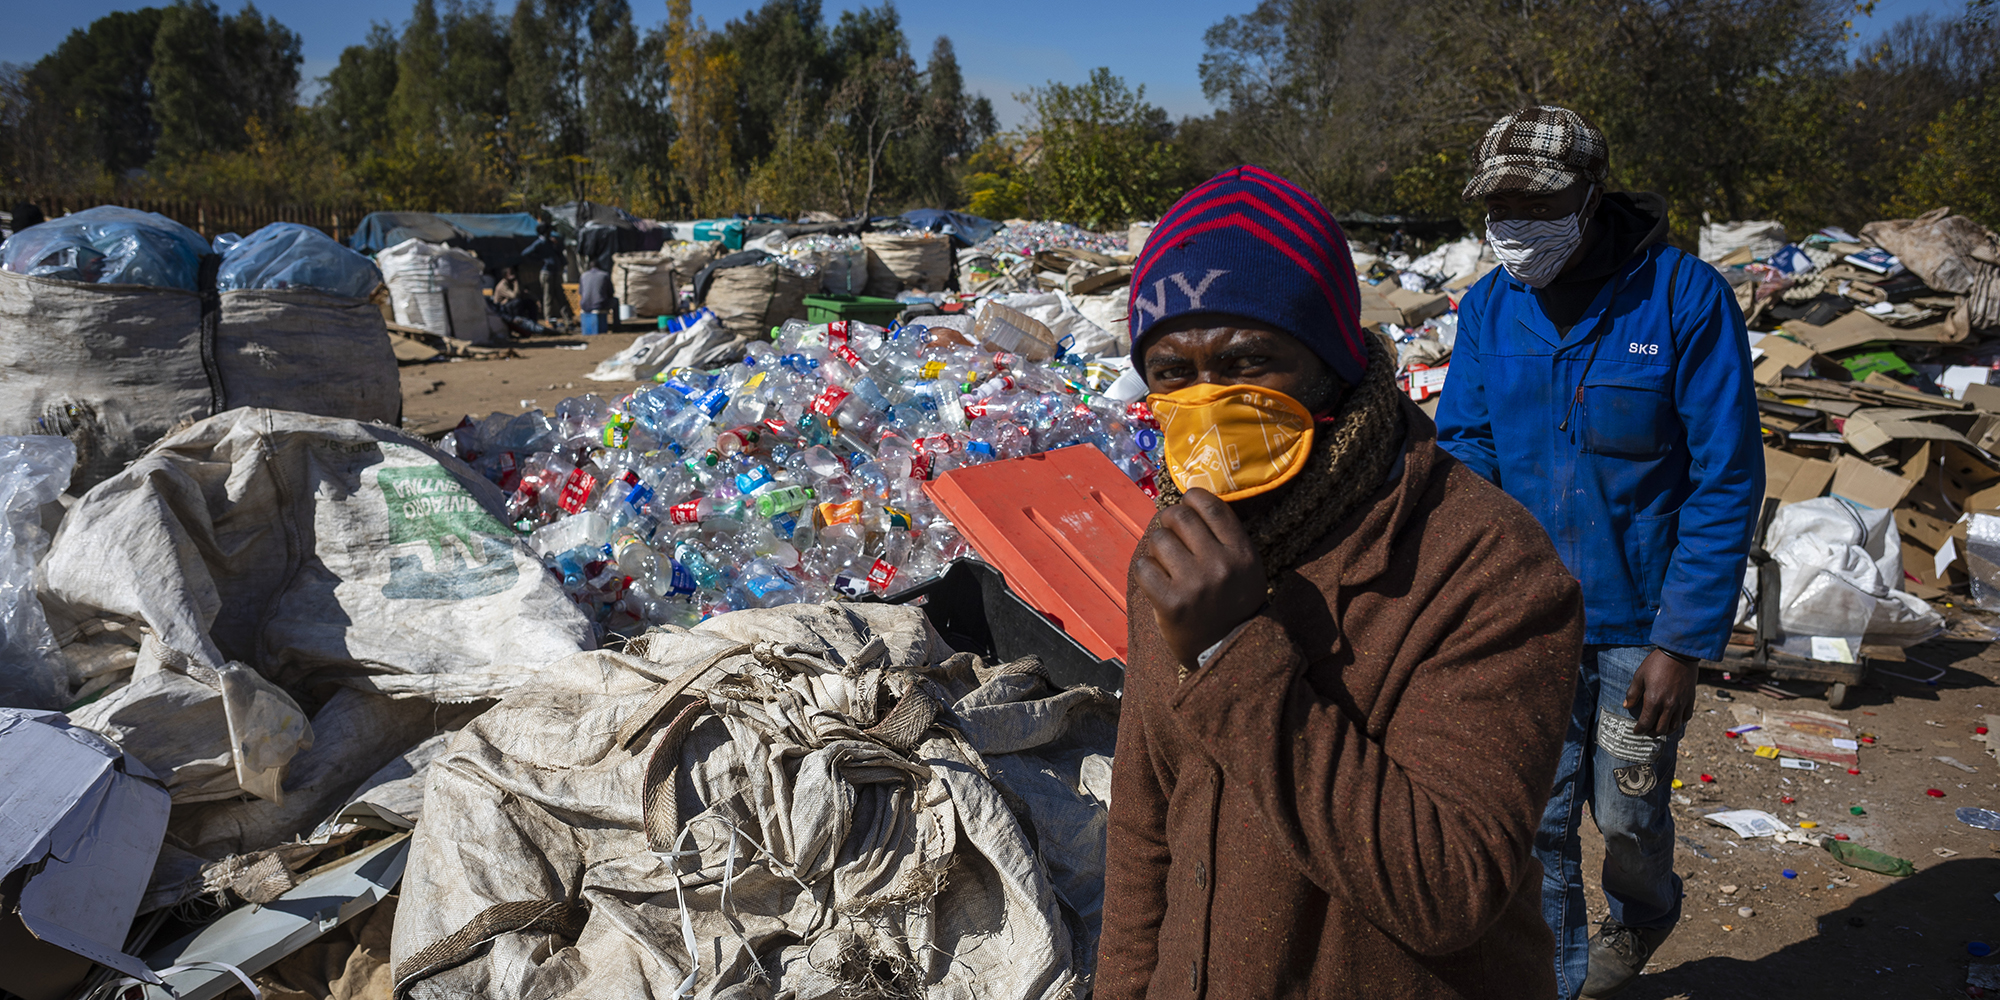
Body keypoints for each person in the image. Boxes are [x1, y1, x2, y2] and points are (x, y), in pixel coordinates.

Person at [1100, 165, 1586, 1000]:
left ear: (1330, 360)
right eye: (1173, 371)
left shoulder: (1488, 564)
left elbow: (1451, 886)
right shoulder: (1178, 543)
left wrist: (1229, 652)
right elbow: (1148, 825)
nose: (1210, 403)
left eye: (1251, 359)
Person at [1434, 107, 1762, 999]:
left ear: (1590, 196)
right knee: (1532, 819)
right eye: (1496, 205)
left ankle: (1643, 913)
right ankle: (1557, 977)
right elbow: (1465, 453)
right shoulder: (1489, 308)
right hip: (1522, 618)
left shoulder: (1683, 298)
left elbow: (1726, 478)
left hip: (1639, 625)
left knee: (1627, 812)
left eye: (1534, 203)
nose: (1512, 225)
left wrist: (1680, 644)